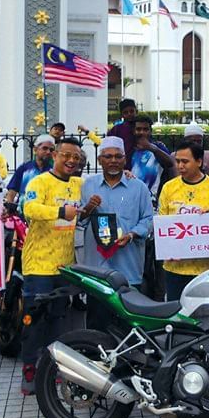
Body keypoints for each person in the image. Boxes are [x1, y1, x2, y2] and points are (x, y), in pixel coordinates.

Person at [18, 137, 84, 395]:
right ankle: (30, 368)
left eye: (76, 157)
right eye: (66, 155)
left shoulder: (80, 183)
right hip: (38, 266)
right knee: (34, 320)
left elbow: (102, 187)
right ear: (55, 155)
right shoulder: (40, 181)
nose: (70, 161)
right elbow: (29, 208)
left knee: (59, 318)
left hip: (65, 266)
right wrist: (59, 212)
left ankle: (54, 367)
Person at [77, 137, 153, 321]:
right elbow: (79, 221)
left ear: (125, 160)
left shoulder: (139, 187)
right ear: (99, 160)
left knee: (128, 323)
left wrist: (132, 234)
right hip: (97, 268)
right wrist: (88, 208)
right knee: (97, 322)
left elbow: (149, 219)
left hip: (128, 266)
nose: (113, 160)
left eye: (118, 156)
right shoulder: (87, 185)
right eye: (108, 156)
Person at [158, 142, 209, 300]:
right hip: (174, 268)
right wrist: (168, 247)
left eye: (185, 161)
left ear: (199, 161)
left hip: (205, 270)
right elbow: (162, 224)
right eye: (178, 161)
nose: (180, 166)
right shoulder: (169, 188)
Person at [4, 134, 55, 218]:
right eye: (45, 148)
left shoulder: (54, 172)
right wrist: (8, 211)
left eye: (51, 149)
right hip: (23, 217)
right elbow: (12, 192)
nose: (48, 152)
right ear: (35, 149)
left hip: (47, 217)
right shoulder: (24, 169)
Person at [130, 116, 176, 199]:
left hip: (153, 199)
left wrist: (152, 148)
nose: (142, 132)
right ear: (133, 131)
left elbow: (170, 163)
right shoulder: (130, 149)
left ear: (150, 131)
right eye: (138, 129)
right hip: (132, 198)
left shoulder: (158, 147)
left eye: (145, 129)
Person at [107, 99, 138, 167]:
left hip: (140, 164)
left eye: (131, 111)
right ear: (122, 115)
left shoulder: (141, 127)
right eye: (125, 112)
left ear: (136, 111)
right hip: (121, 165)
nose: (129, 114)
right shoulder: (116, 129)